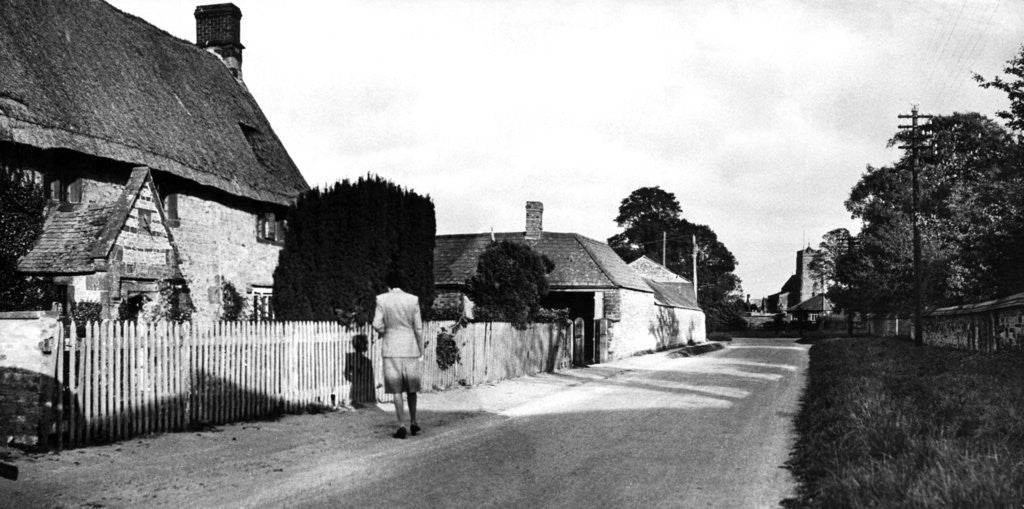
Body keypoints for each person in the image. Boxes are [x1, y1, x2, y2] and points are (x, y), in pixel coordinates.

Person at [372, 270, 424, 439]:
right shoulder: (413, 300)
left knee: (396, 389)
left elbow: (376, 323)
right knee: (412, 388)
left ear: (388, 285)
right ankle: (414, 422)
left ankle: (401, 425)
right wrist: (420, 349)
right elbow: (418, 328)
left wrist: (385, 332)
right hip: (410, 348)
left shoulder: (382, 299)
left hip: (391, 348)